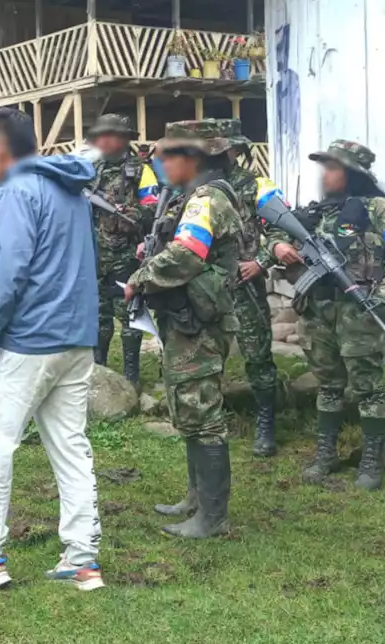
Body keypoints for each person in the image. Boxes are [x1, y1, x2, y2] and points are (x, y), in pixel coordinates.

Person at [0, 108, 104, 591]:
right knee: (71, 445)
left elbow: (8, 271)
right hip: (76, 338)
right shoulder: (72, 188)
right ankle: (82, 557)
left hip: (28, 341)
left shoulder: (16, 191)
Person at [271, 140, 385, 490]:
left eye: (333, 168)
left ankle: (371, 460)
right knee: (328, 383)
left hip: (359, 309)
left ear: (352, 173)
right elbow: (275, 230)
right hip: (317, 309)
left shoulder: (382, 209)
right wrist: (277, 245)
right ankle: (326, 453)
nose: (326, 175)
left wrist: (384, 299)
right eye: (325, 168)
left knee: (367, 387)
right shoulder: (315, 212)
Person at [124, 119, 241, 539]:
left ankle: (212, 517)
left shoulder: (206, 200)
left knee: (204, 414)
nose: (160, 162)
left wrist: (141, 276)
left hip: (202, 323)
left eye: (167, 154)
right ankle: (196, 498)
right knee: (190, 409)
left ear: (192, 158)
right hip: (188, 317)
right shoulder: (190, 198)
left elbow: (187, 255)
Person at [222, 119, 289, 457]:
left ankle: (266, 421)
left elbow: (282, 228)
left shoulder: (257, 186)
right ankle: (208, 417)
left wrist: (261, 261)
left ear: (235, 150)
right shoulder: (192, 185)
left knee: (257, 353)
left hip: (244, 283)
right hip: (205, 285)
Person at [85, 114, 159, 386]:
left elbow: (153, 210)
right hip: (94, 255)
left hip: (127, 255)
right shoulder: (91, 167)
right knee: (97, 315)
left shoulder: (141, 170)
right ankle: (99, 370)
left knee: (129, 316)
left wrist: (128, 213)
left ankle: (131, 376)